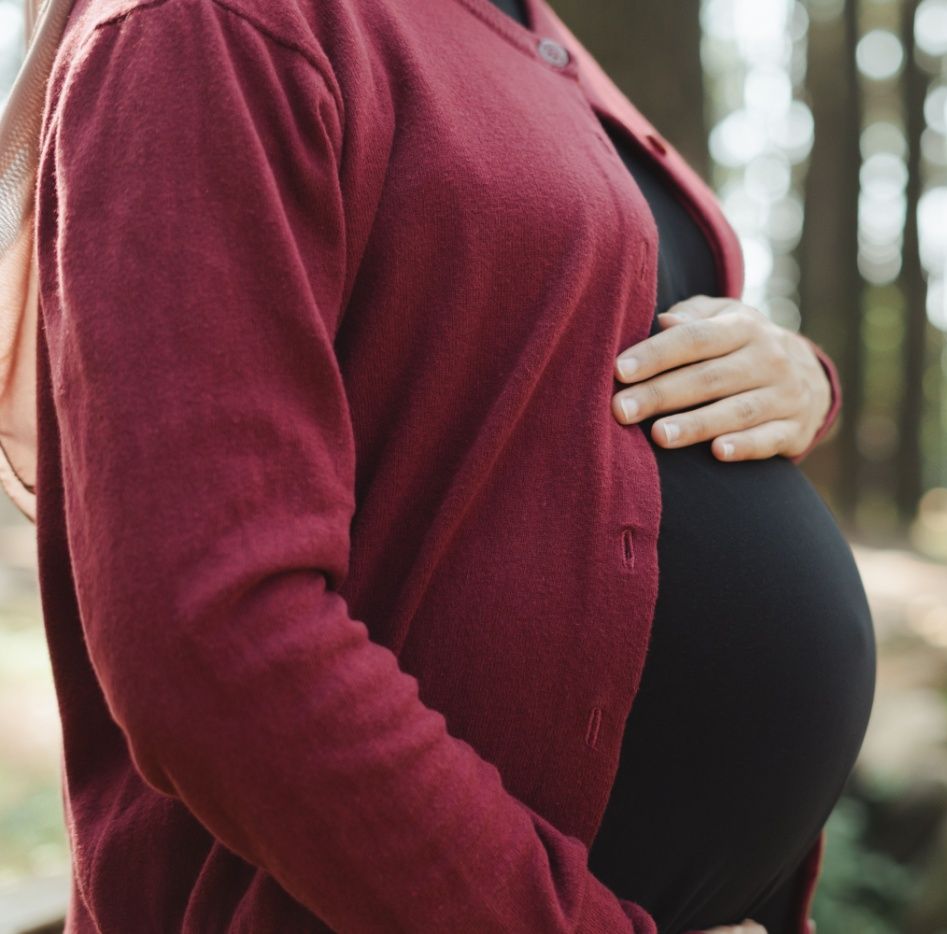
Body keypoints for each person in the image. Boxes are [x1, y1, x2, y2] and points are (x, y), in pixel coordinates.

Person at [30, 0, 876, 931]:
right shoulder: (208, 24)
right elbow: (209, 634)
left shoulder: (522, 25)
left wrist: (801, 379)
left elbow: (576, 347)